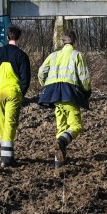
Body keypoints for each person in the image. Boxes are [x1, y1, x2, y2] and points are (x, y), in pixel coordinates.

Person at [37, 29, 92, 167]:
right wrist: (86, 91)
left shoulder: (53, 55)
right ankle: (62, 141)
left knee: (61, 127)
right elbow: (84, 78)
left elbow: (41, 72)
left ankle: (59, 162)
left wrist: (47, 85)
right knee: (76, 125)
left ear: (62, 41)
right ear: (74, 41)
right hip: (70, 94)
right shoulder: (77, 55)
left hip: (55, 94)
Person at [0, 25, 32, 168]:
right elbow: (26, 79)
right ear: (19, 38)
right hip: (13, 93)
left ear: (7, 37)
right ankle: (7, 158)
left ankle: (6, 154)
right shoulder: (22, 55)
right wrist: (21, 93)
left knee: (1, 122)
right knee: (10, 123)